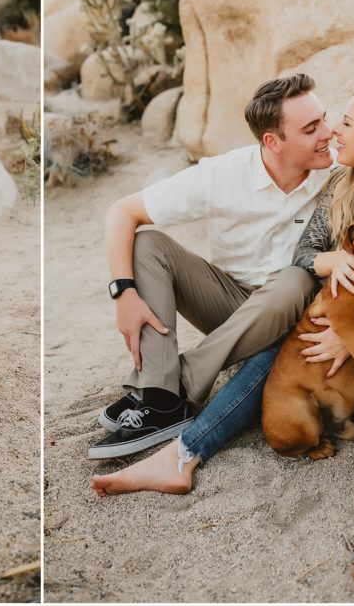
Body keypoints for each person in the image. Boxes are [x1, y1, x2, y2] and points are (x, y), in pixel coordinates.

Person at [92, 86, 354, 593]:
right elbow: (305, 257)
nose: (334, 131)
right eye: (326, 124)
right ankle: (184, 452)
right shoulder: (342, 189)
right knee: (295, 335)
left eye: (345, 123)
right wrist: (332, 268)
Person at [89, 73, 334, 459]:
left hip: (297, 316)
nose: (328, 133)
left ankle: (166, 392)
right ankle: (164, 398)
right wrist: (124, 292)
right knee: (148, 243)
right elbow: (122, 211)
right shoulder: (223, 174)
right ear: (273, 141)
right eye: (311, 128)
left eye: (324, 119)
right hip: (229, 305)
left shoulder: (337, 179)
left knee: (297, 278)